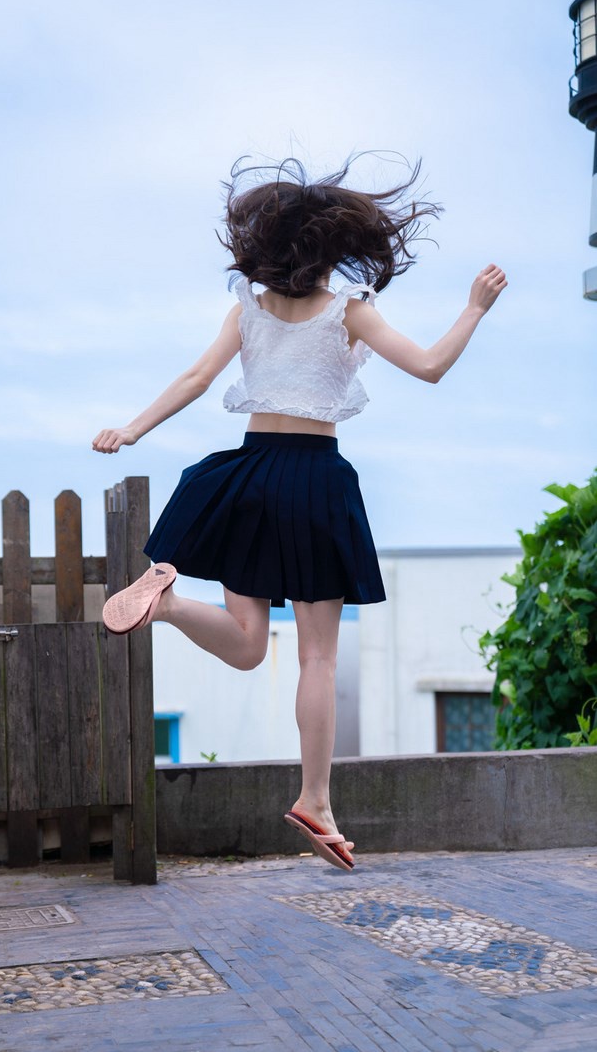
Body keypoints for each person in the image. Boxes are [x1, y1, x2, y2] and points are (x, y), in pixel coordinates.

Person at [92, 156, 507, 872]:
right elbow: (432, 365)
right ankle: (314, 796)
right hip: (314, 483)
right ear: (330, 249)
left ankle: (167, 605)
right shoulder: (351, 311)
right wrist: (473, 306)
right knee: (316, 655)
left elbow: (196, 378)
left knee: (250, 644)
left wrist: (132, 428)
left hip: (245, 475)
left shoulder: (247, 308)